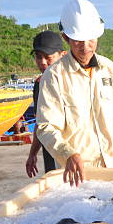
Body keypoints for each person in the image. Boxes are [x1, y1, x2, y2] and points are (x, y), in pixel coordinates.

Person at [35, 0, 113, 187]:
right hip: (78, 175)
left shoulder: (109, 69)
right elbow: (46, 127)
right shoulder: (54, 76)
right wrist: (68, 153)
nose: (86, 46)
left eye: (91, 39)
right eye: (79, 40)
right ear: (66, 38)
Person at [25, 31, 67, 177]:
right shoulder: (39, 84)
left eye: (48, 58)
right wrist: (33, 154)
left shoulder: (74, 81)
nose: (43, 62)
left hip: (77, 152)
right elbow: (40, 122)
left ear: (63, 55)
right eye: (38, 57)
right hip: (51, 151)